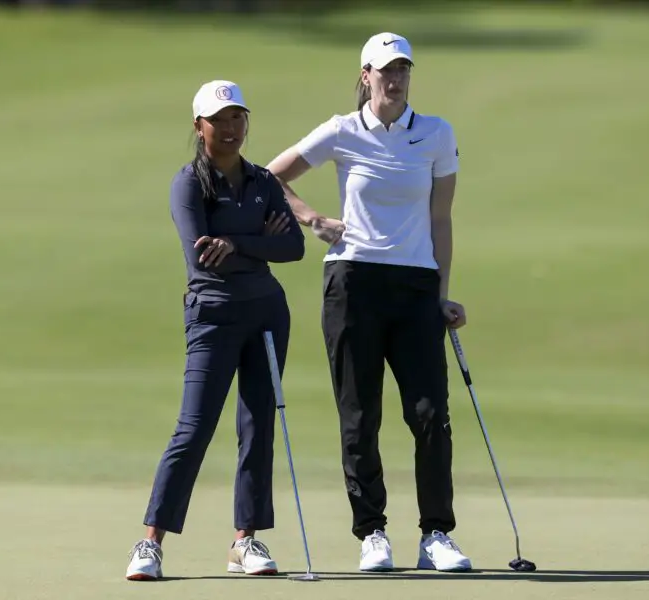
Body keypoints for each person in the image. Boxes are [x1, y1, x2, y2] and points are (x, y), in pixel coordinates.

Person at [266, 32, 472, 573]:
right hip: (352, 282)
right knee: (360, 416)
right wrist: (312, 219)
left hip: (415, 286)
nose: (396, 78)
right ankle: (372, 533)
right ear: (366, 75)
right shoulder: (342, 130)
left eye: (404, 69)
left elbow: (441, 218)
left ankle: (436, 536)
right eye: (386, 70)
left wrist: (442, 294)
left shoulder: (435, 134)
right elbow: (270, 177)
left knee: (431, 415)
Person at [126, 80, 305, 581]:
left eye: (238, 118)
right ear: (199, 126)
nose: (231, 129)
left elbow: (293, 247)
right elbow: (201, 256)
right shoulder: (188, 184)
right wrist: (252, 240)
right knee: (194, 427)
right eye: (220, 120)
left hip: (268, 313)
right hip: (212, 314)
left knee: (258, 425)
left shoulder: (264, 181)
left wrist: (234, 240)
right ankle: (150, 542)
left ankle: (245, 541)